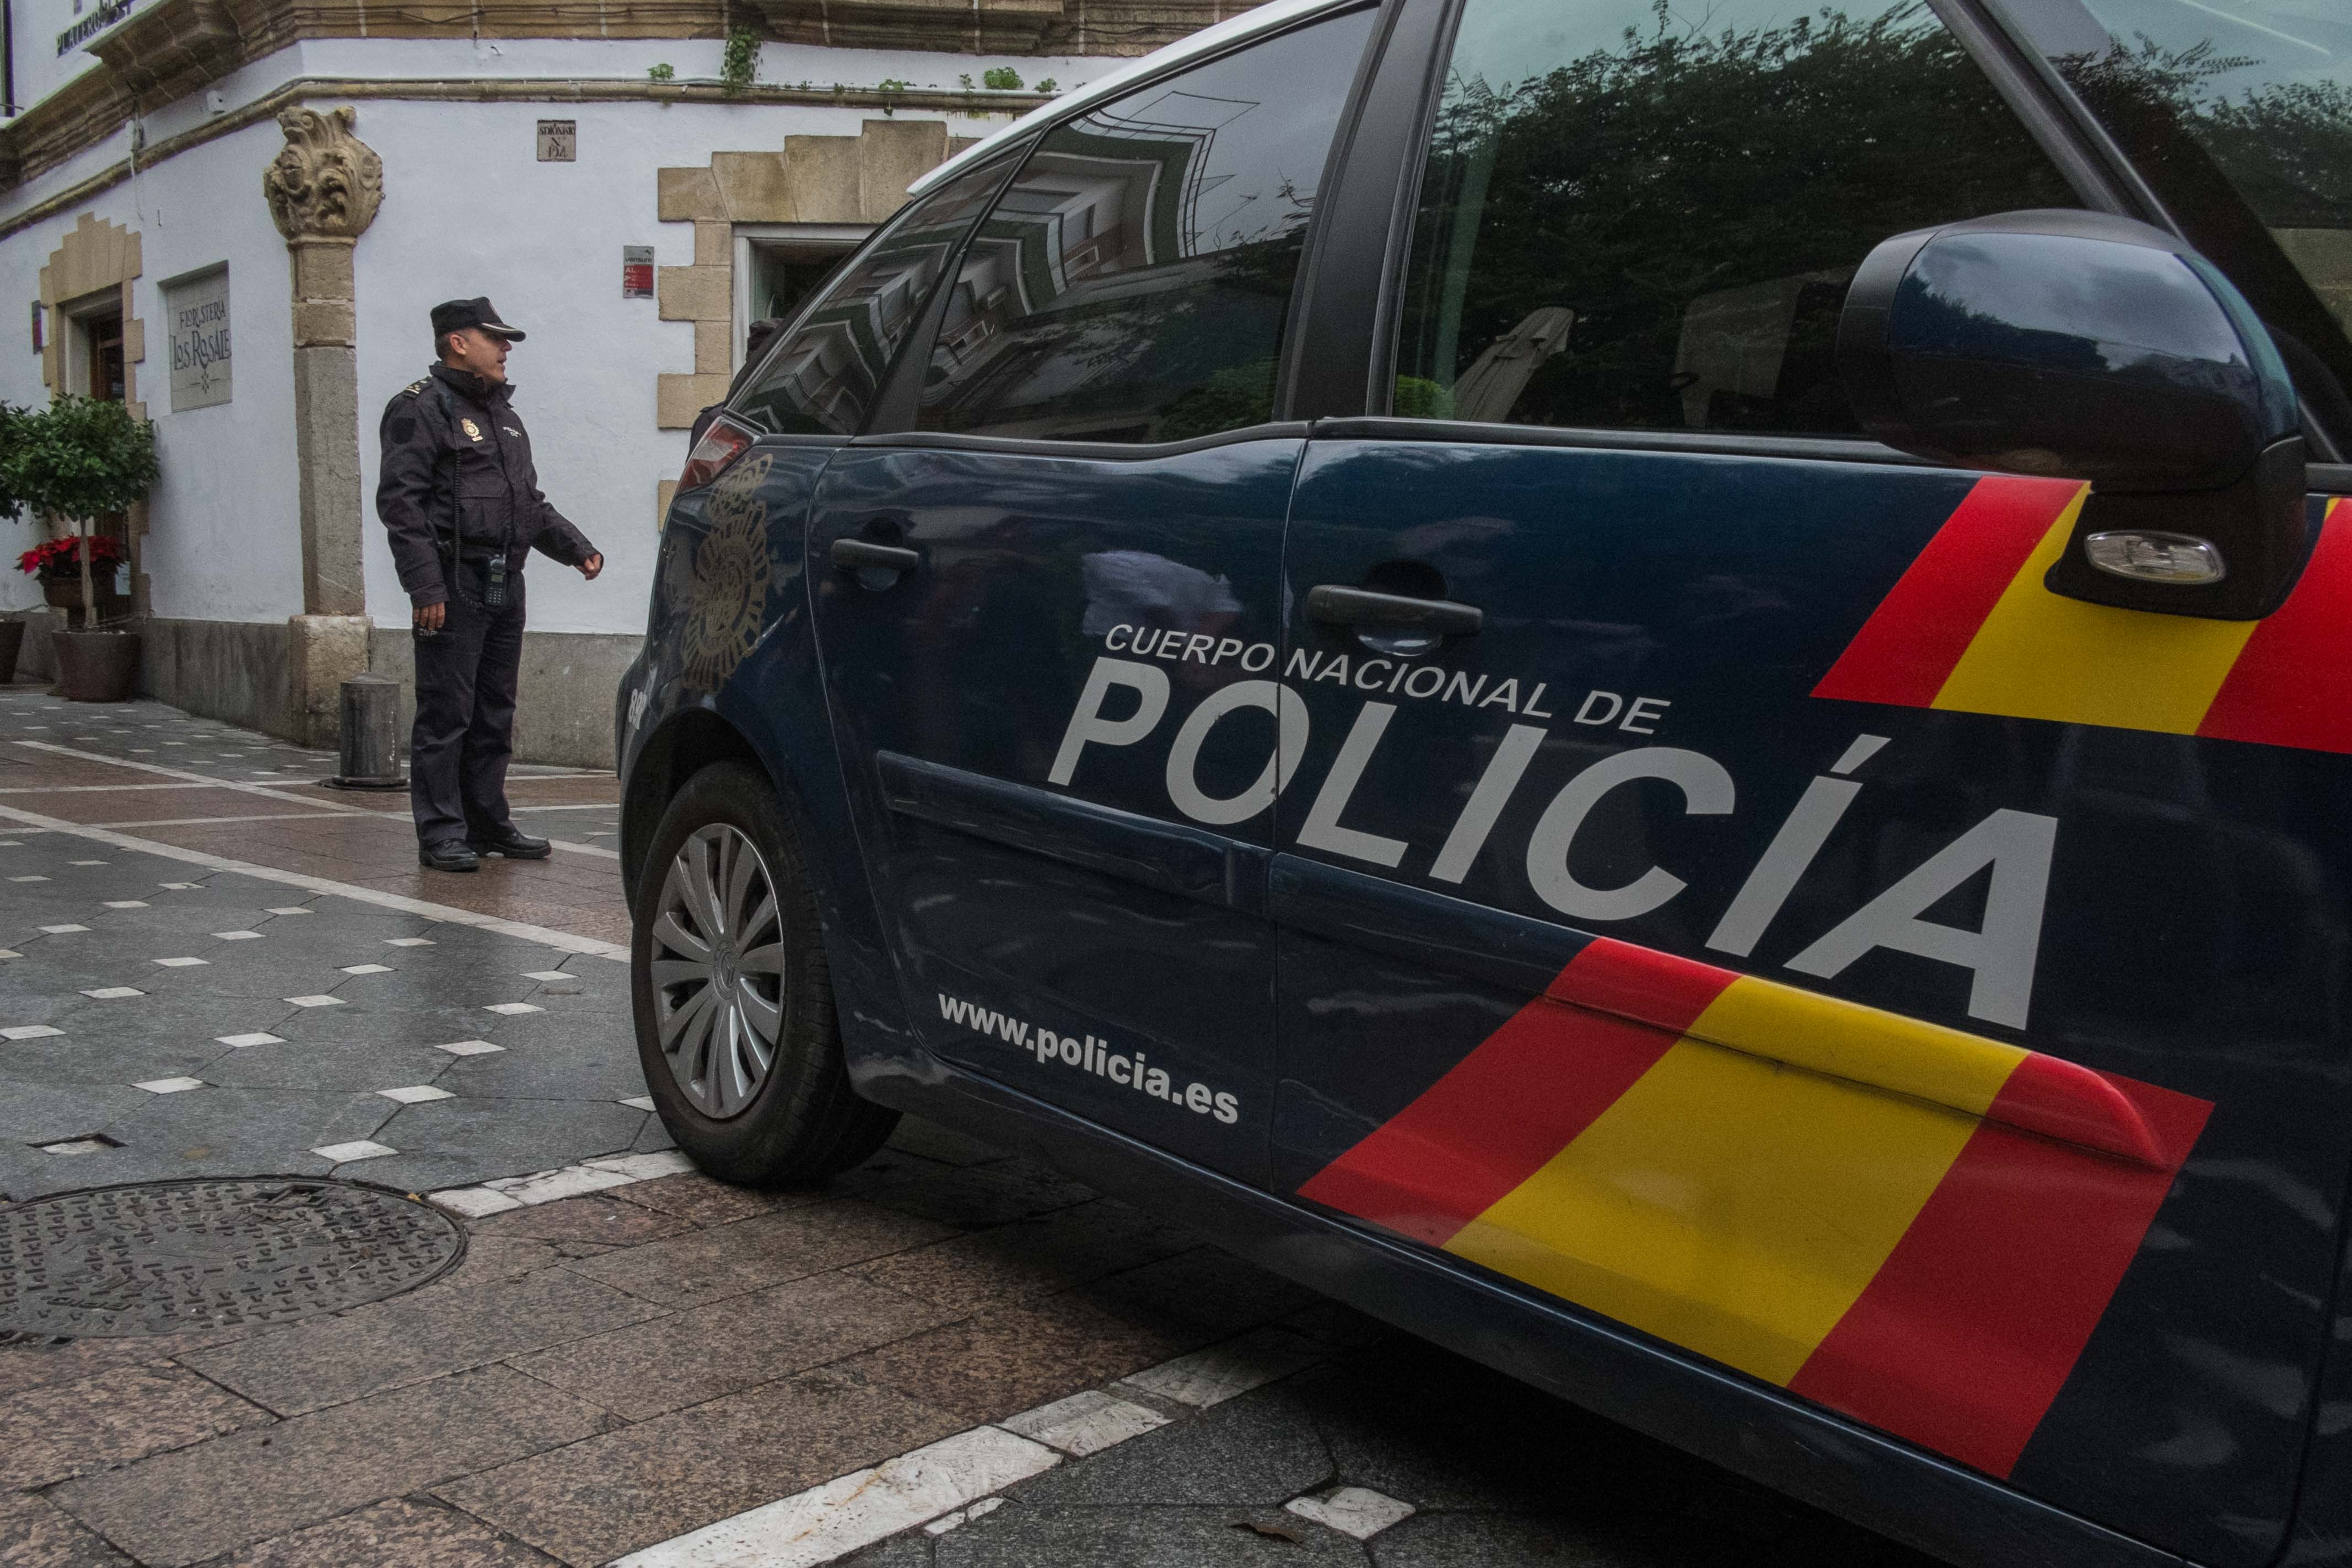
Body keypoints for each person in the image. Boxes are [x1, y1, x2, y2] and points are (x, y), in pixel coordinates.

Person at [376, 297, 604, 872]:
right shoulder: (420, 408)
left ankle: (485, 819)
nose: (506, 349)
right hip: (453, 581)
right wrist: (425, 587)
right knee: (446, 713)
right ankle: (441, 831)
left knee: (494, 711)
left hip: (505, 580)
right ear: (458, 342)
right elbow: (402, 505)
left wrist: (576, 548)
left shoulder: (505, 416)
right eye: (495, 338)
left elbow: (527, 502)